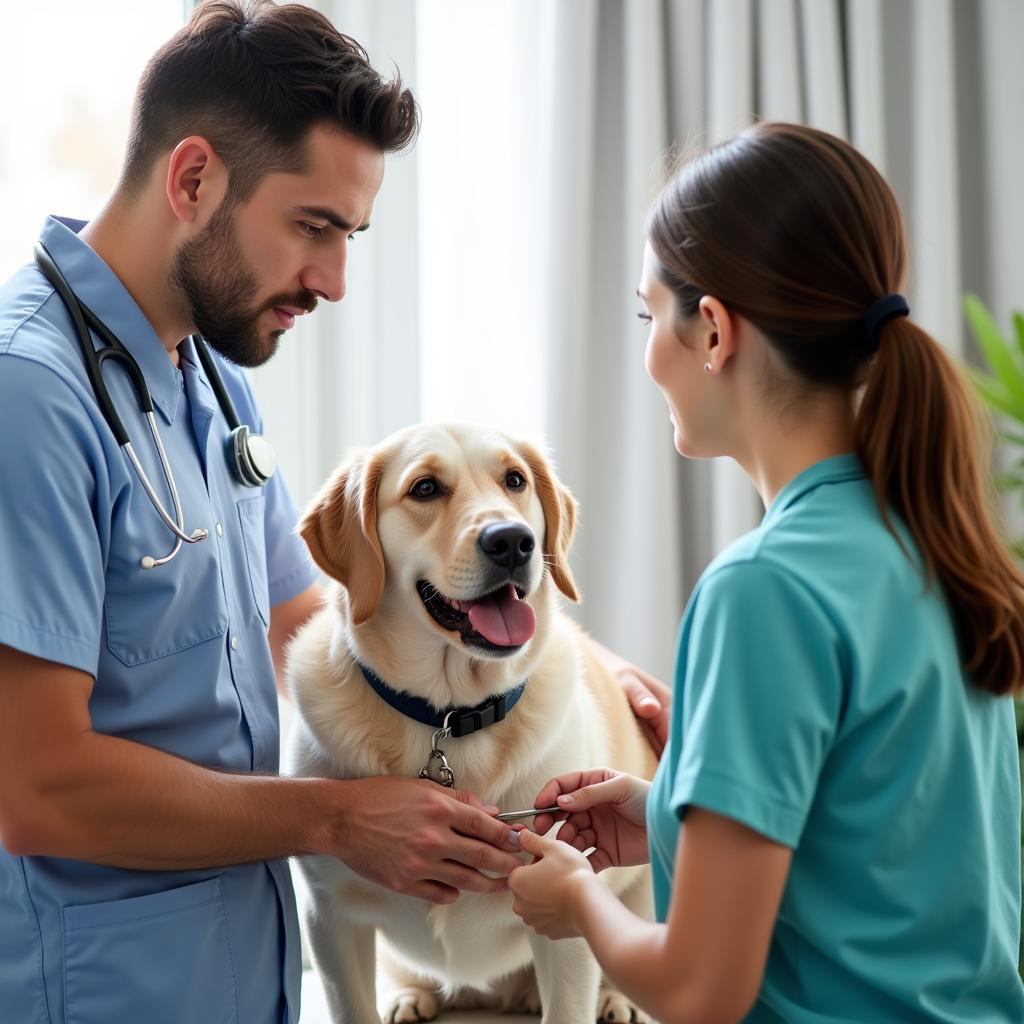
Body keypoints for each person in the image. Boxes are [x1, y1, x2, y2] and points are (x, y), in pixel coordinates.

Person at [0, 3, 670, 1023]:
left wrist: (571, 662)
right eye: (314, 227)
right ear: (192, 180)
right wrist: (338, 816)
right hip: (104, 992)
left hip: (245, 975)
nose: (335, 280)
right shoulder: (28, 399)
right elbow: (35, 788)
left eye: (349, 235)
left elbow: (321, 622)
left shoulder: (210, 381)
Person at [508, 121, 1024, 1023]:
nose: (646, 354)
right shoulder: (931, 540)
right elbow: (888, 848)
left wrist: (579, 904)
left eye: (646, 314)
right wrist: (669, 814)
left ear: (712, 330)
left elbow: (702, 990)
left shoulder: (762, 591)